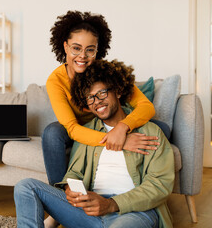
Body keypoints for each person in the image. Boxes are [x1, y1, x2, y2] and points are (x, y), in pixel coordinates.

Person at [14, 59, 175, 228]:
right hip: (88, 211)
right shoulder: (87, 133)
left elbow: (160, 185)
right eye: (90, 98)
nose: (96, 101)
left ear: (118, 91)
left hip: (133, 212)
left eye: (102, 93)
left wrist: (111, 204)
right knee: (25, 187)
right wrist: (70, 189)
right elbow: (74, 173)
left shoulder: (150, 132)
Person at [43, 10, 169, 187]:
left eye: (90, 50)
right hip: (81, 127)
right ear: (65, 47)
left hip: (112, 121)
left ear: (97, 50)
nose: (82, 56)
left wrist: (123, 128)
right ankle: (59, 196)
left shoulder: (106, 72)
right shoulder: (55, 81)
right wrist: (119, 141)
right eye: (76, 48)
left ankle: (141, 186)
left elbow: (146, 106)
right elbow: (72, 128)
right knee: (52, 132)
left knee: (162, 129)